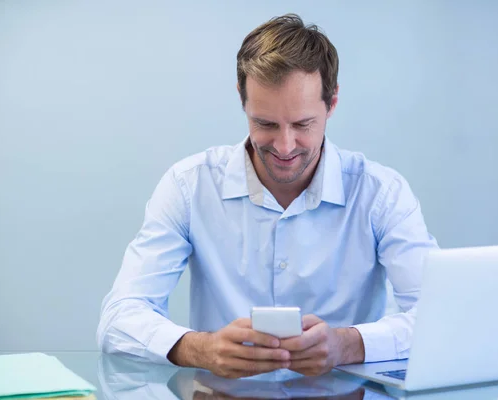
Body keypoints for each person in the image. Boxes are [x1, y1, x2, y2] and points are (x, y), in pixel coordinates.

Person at [97, 13, 438, 379]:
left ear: (332, 102)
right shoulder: (189, 185)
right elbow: (119, 318)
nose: (285, 146)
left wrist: (347, 344)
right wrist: (201, 349)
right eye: (266, 124)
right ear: (242, 100)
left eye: (303, 124)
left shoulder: (382, 195)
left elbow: (439, 318)